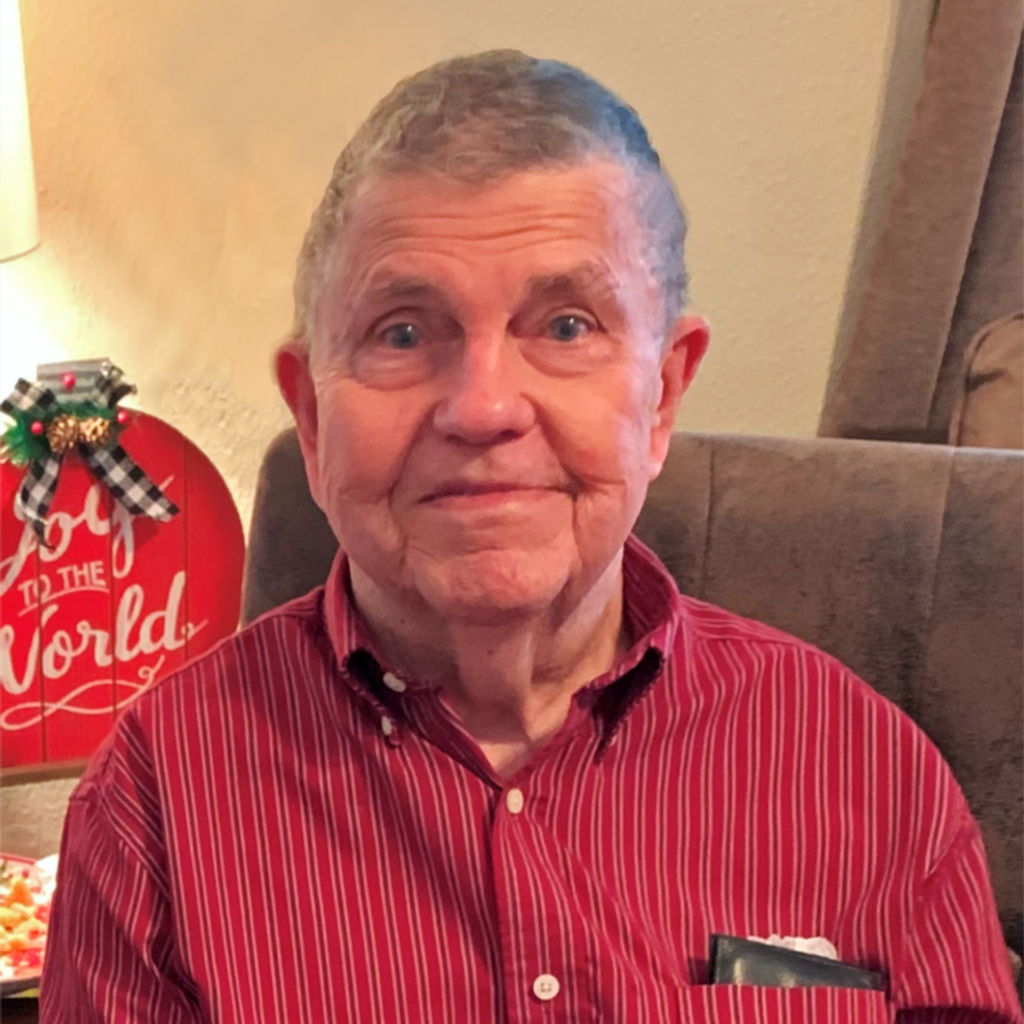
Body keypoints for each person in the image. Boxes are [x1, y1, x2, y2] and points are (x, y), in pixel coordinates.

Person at [41, 50, 1020, 1023]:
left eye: (565, 327)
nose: (483, 407)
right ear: (310, 412)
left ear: (663, 394)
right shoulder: (151, 808)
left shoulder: (868, 773)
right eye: (401, 332)